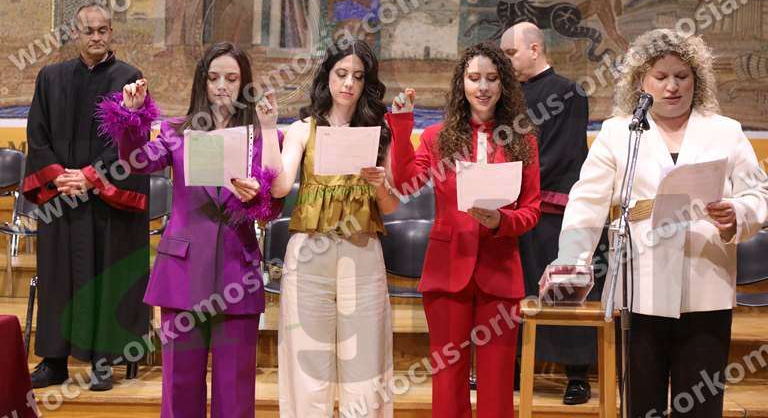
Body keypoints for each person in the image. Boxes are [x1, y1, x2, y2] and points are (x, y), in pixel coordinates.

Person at [550, 29, 768, 417]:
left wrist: (737, 213)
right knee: (641, 404)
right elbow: (586, 202)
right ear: (641, 80)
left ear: (697, 79)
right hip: (641, 288)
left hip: (706, 285)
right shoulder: (620, 132)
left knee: (700, 405)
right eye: (661, 76)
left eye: (682, 76)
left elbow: (759, 193)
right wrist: (572, 259)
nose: (672, 86)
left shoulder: (726, 131)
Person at [96, 42, 283, 417]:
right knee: (180, 386)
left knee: (235, 390)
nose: (222, 86)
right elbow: (136, 163)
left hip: (236, 268)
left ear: (244, 82)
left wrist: (256, 197)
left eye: (231, 78)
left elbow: (274, 206)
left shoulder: (263, 137)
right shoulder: (176, 131)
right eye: (214, 78)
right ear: (202, 82)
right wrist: (131, 117)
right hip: (182, 270)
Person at [387, 42, 541, 418]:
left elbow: (531, 210)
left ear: (504, 84)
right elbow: (405, 184)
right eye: (474, 78)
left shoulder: (523, 140)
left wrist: (502, 221)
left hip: (500, 271)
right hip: (447, 270)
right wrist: (403, 125)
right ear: (462, 84)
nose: (483, 87)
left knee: (497, 382)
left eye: (492, 78)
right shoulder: (436, 137)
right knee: (448, 379)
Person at [264, 39, 399, 417]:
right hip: (311, 253)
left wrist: (379, 185)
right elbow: (278, 187)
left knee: (366, 368)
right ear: (327, 77)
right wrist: (269, 127)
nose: (349, 83)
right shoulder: (302, 129)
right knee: (307, 366)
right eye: (341, 74)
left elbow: (391, 205)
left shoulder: (379, 131)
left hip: (362, 251)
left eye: (358, 76)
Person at [23, 3, 150, 391]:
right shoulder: (51, 78)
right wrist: (60, 177)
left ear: (111, 32)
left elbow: (132, 139)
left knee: (107, 277)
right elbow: (37, 135)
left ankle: (102, 362)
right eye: (88, 30)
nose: (96, 36)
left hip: (107, 202)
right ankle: (54, 361)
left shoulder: (129, 79)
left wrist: (91, 177)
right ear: (75, 34)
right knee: (57, 278)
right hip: (62, 199)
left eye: (103, 30)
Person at [500, 23, 594, 404]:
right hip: (514, 208)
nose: (507, 62)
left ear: (535, 49)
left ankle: (577, 376)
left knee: (563, 291)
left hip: (553, 209)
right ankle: (515, 366)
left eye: (511, 54)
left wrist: (522, 182)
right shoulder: (508, 95)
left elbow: (566, 151)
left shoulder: (569, 92)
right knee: (515, 290)